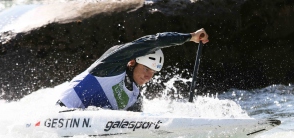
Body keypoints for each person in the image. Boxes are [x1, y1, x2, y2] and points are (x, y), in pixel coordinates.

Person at [57, 28, 209, 112]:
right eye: (145, 69)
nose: (148, 76)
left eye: (153, 73)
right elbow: (154, 41)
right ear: (132, 62)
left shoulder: (134, 96)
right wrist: (189, 37)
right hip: (61, 115)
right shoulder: (110, 66)